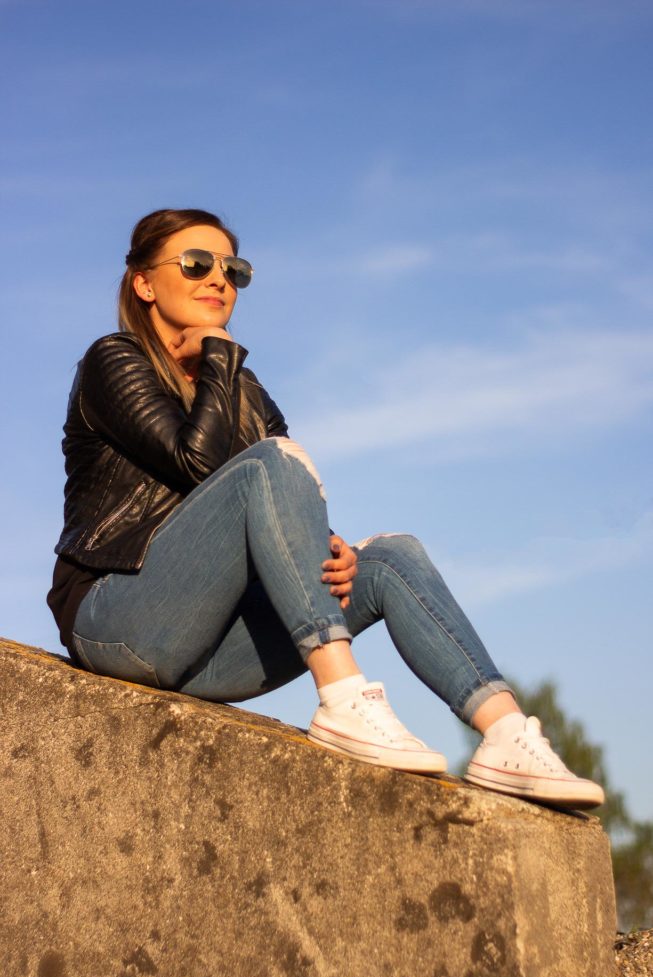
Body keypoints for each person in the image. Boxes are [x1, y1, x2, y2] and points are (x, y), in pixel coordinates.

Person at [48, 207, 604, 810]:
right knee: (270, 459)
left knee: (389, 556)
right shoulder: (114, 360)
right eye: (196, 264)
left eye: (233, 270)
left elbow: (289, 503)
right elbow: (197, 462)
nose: (219, 280)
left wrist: (333, 547)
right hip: (117, 620)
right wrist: (218, 357)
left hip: (206, 652)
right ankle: (343, 697)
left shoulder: (246, 392)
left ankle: (505, 734)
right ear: (144, 283)